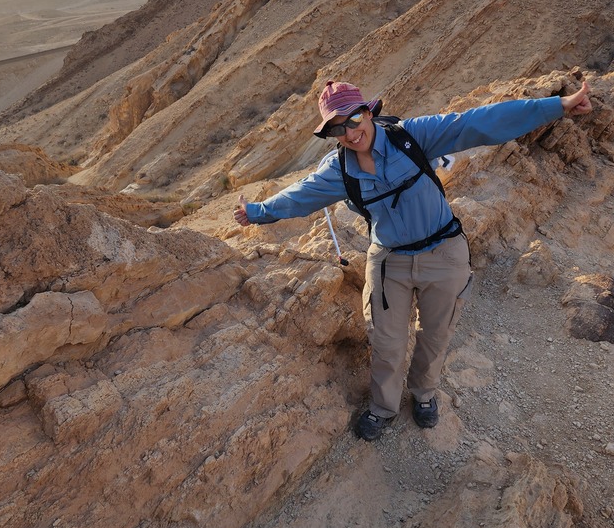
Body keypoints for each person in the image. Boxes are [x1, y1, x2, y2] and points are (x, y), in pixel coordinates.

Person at [234, 79, 592, 440]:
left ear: (368, 112)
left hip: (444, 252)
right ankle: (383, 407)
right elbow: (300, 196)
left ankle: (424, 394)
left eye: (354, 119)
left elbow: (478, 122)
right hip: (390, 261)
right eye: (337, 127)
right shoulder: (339, 170)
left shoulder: (412, 137)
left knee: (435, 335)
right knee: (386, 341)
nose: (350, 132)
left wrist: (556, 106)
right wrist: (258, 212)